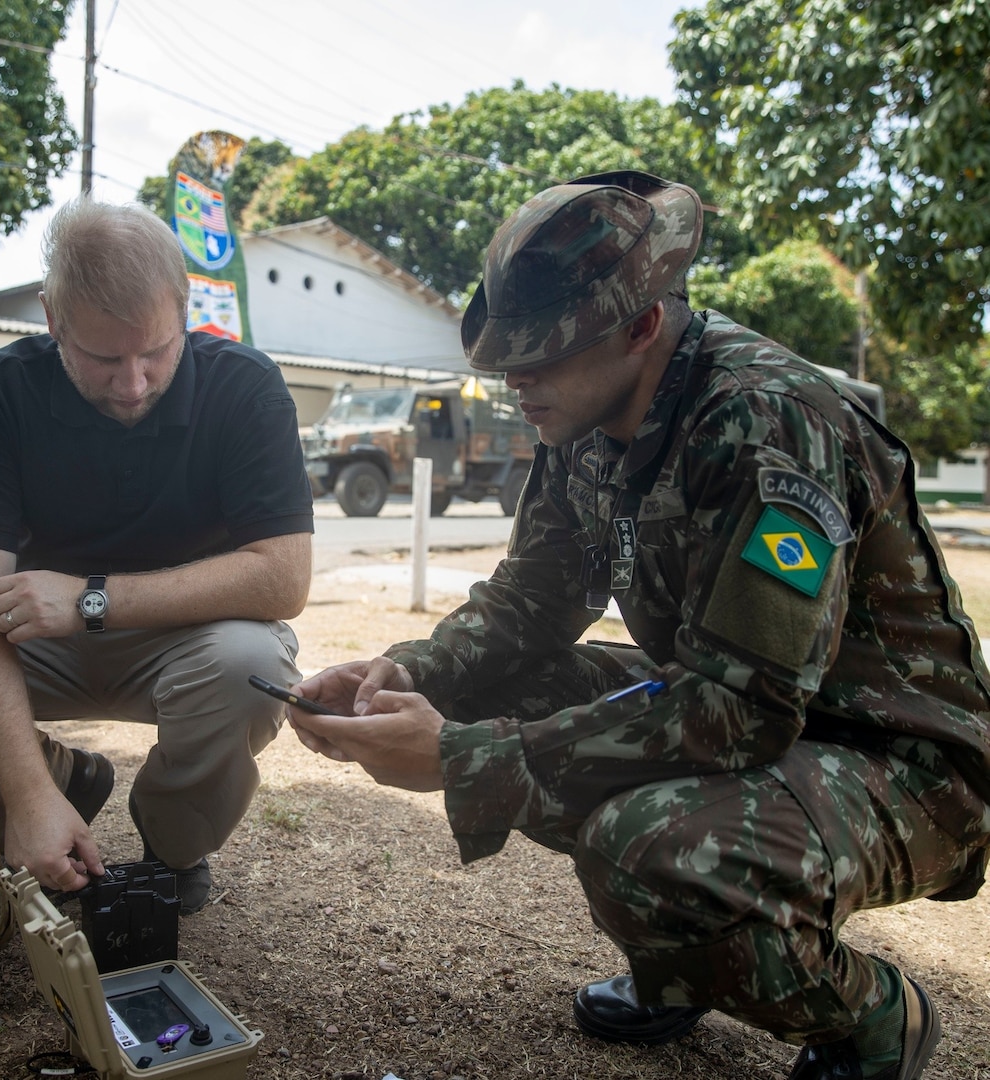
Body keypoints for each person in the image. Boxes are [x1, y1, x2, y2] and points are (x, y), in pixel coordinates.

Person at [288, 171, 990, 1080]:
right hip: (751, 706)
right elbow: (533, 599)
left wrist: (468, 759)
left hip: (897, 756)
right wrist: (406, 673)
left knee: (646, 845)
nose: (514, 379)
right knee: (493, 691)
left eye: (540, 353)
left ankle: (871, 1020)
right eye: (507, 354)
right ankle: (681, 963)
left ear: (643, 325)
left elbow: (744, 711)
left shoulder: (764, 423)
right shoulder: (578, 416)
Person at [0, 198, 313, 913]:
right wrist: (24, 792)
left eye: (156, 351)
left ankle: (173, 846)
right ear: (53, 321)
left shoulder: (247, 387)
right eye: (104, 358)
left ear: (185, 309)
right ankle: (55, 789)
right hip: (33, 635)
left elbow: (283, 578)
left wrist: (92, 598)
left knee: (255, 667)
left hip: (186, 640)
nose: (135, 383)